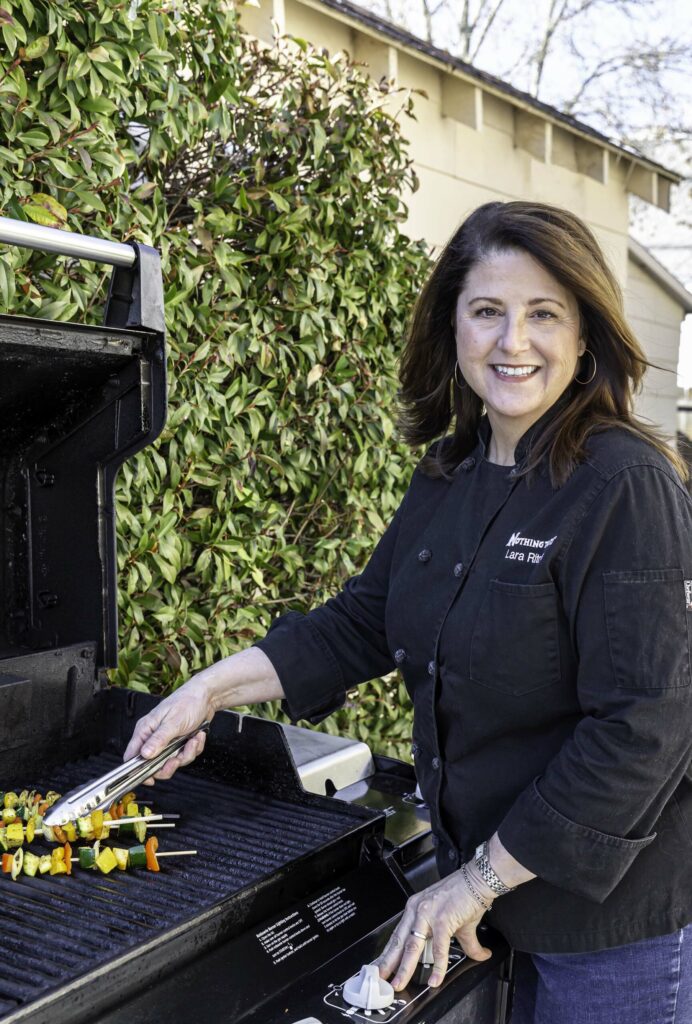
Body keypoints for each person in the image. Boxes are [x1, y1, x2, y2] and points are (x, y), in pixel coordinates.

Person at [124, 201, 692, 1023]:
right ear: (452, 325)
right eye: (488, 311)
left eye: (544, 315)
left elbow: (646, 726)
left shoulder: (625, 485)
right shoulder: (451, 472)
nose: (514, 342)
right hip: (498, 903)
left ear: (585, 334)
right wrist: (207, 692)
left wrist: (475, 881)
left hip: (608, 929)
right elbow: (362, 621)